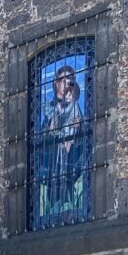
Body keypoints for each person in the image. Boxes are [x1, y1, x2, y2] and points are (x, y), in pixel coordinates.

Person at [40, 64, 84, 221]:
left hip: (69, 155)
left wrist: (76, 128)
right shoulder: (50, 108)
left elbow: (81, 132)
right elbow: (42, 138)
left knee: (68, 185)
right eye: (63, 80)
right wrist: (49, 132)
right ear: (56, 83)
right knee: (52, 191)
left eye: (69, 80)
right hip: (53, 158)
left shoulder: (74, 106)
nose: (66, 84)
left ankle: (71, 203)